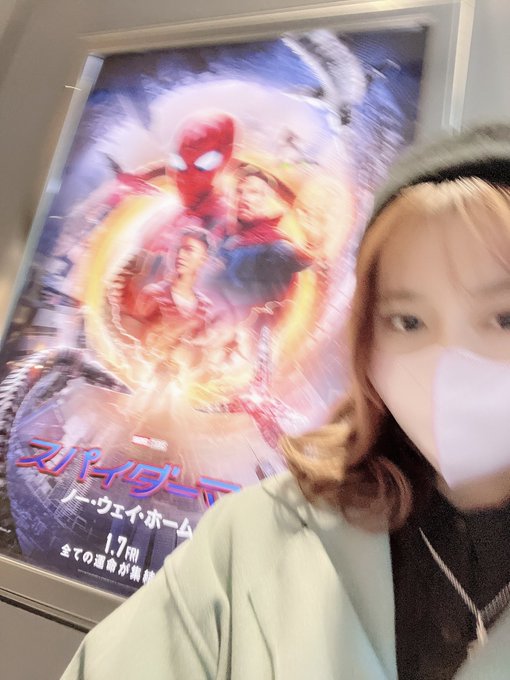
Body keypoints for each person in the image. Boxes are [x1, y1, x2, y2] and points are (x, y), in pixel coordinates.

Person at [61, 124, 510, 680]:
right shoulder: (257, 533)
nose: (450, 366)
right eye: (408, 321)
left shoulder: (272, 252)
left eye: (503, 318)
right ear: (367, 342)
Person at [214, 165, 314, 311]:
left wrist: (308, 250)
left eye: (253, 192)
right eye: (239, 191)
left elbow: (293, 256)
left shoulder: (273, 244)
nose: (244, 198)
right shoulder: (224, 236)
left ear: (267, 200)